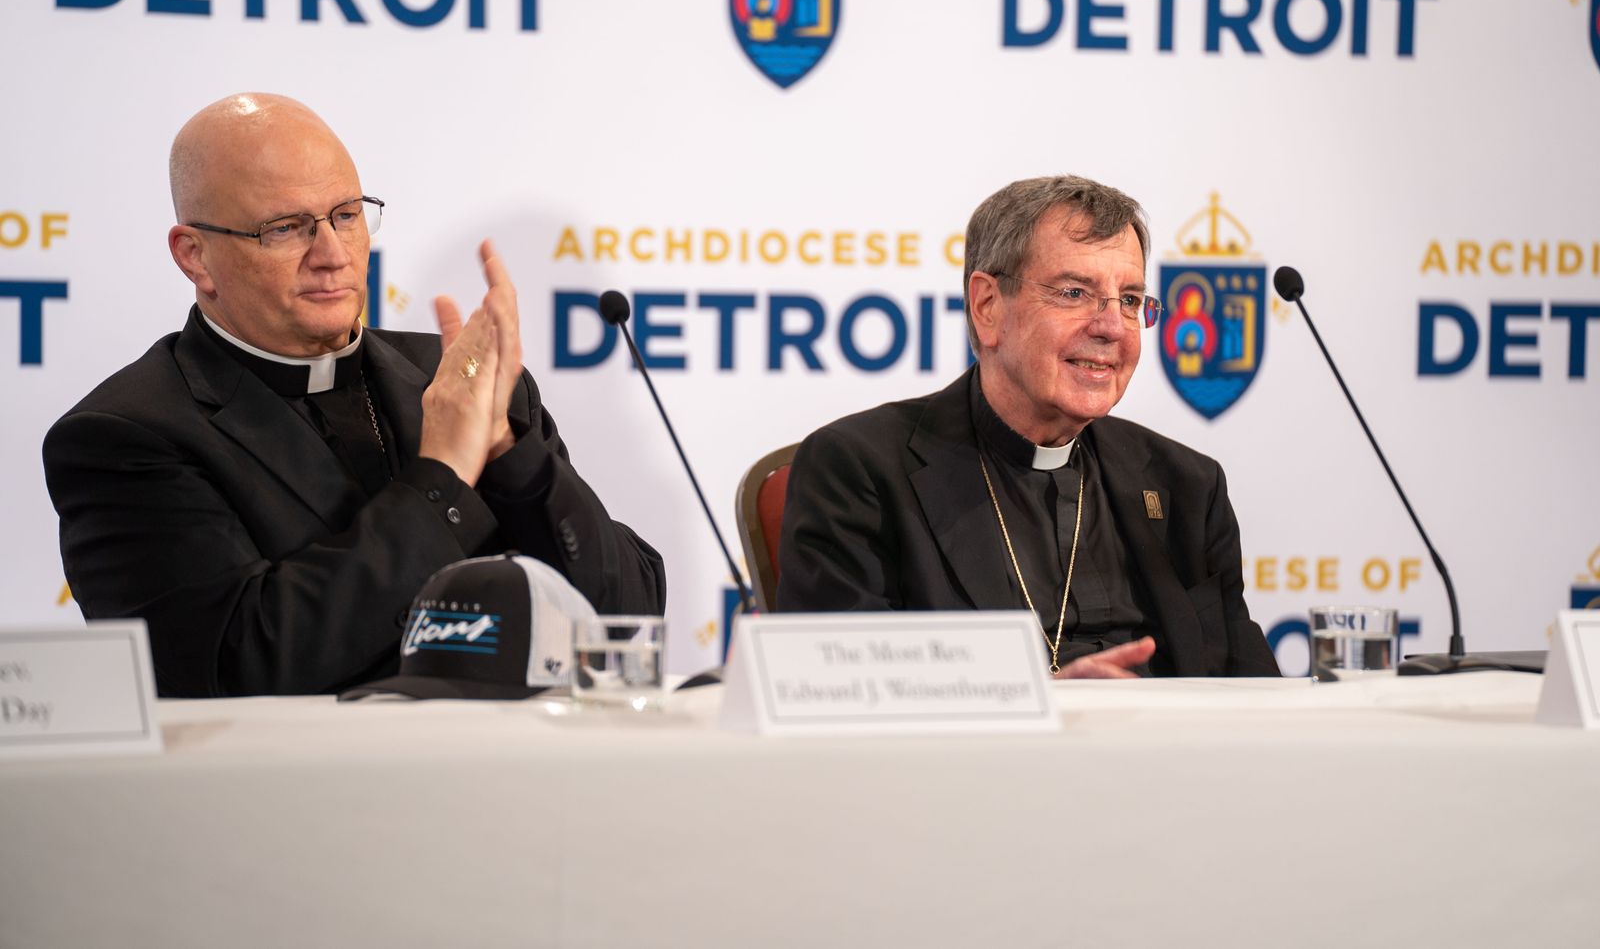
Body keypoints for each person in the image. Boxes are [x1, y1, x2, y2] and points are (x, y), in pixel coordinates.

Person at [43, 93, 665, 697]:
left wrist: (506, 449)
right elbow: (235, 666)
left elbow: (628, 612)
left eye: (346, 215)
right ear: (195, 256)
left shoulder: (455, 380)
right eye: (286, 228)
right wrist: (442, 476)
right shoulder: (124, 435)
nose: (333, 255)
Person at [776, 175, 1278, 680]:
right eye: (1075, 292)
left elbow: (1254, 693)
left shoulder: (1186, 485)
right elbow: (841, 694)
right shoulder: (860, 468)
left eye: (1129, 299)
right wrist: (1042, 706)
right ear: (988, 307)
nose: (1111, 327)